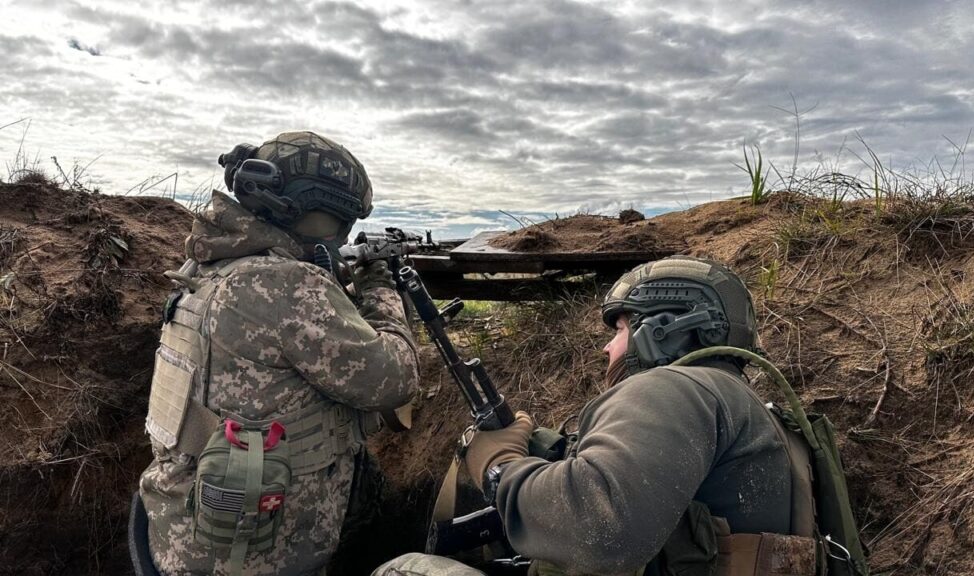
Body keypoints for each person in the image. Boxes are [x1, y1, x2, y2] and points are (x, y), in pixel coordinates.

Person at [375, 255, 819, 576]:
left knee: (402, 569)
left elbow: (599, 530)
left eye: (622, 329)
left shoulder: (674, 387)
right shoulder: (754, 409)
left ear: (663, 330)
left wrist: (499, 468)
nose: (608, 347)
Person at [138, 131, 419, 575]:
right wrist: (378, 288)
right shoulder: (286, 284)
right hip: (254, 554)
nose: (339, 236)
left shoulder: (208, 265)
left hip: (180, 528)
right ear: (302, 212)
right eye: (336, 222)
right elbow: (395, 378)